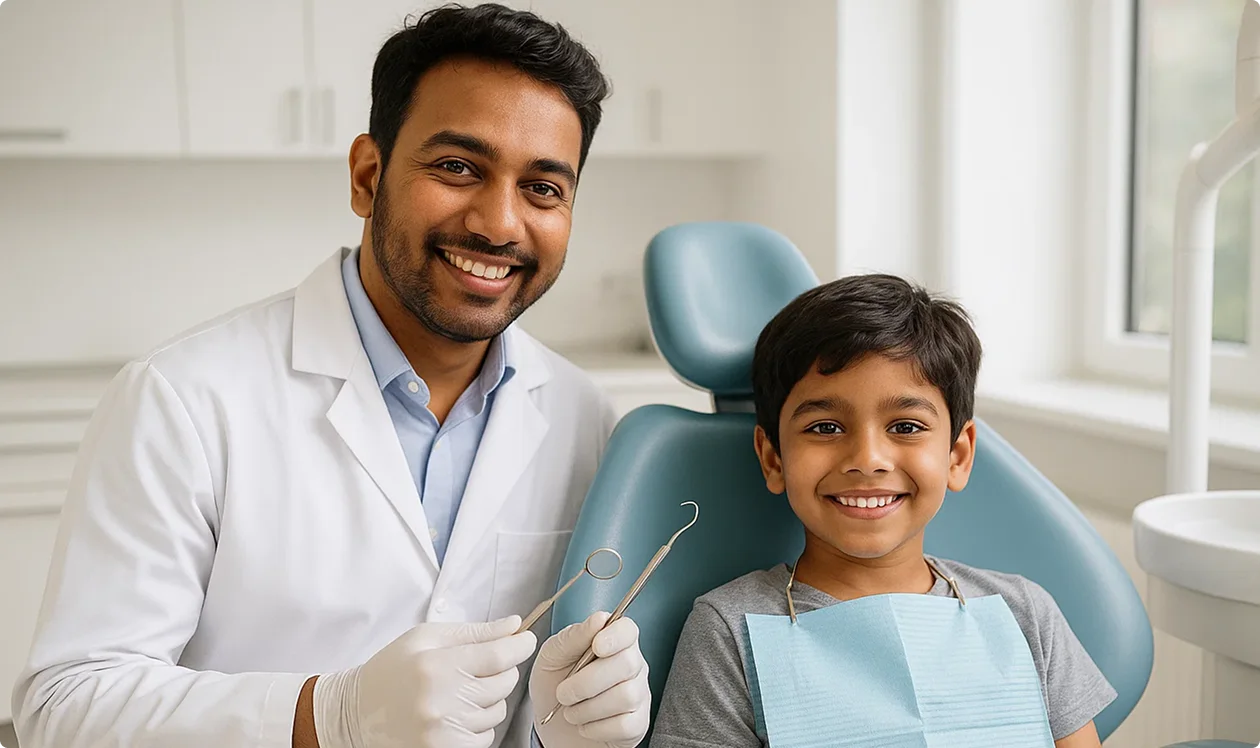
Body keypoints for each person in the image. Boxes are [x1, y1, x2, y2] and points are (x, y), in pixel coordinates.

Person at [11, 5, 651, 748]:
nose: (499, 224)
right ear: (367, 176)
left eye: (543, 188)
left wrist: (563, 727)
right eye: (457, 167)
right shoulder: (182, 400)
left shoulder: (584, 417)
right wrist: (327, 715)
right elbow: (66, 707)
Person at [649, 274, 1117, 748]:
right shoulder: (730, 631)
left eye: (906, 425)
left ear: (957, 456)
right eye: (826, 427)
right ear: (774, 459)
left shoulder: (1024, 615)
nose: (868, 458)